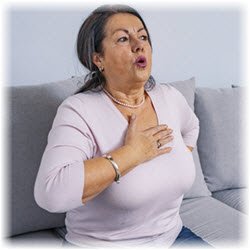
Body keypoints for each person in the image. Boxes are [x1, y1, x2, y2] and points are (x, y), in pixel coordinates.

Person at [34, 4, 211, 248]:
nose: (139, 45)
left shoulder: (170, 97)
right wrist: (133, 154)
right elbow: (51, 193)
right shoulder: (78, 110)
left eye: (143, 36)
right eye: (123, 38)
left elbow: (192, 127)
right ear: (98, 59)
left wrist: (178, 158)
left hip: (173, 237)